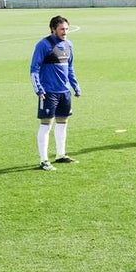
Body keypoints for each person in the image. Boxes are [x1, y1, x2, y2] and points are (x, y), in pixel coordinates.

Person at [31, 15, 82, 171]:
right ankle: (44, 160)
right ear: (53, 29)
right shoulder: (43, 45)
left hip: (64, 92)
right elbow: (34, 69)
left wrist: (75, 85)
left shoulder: (69, 45)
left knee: (63, 123)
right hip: (48, 92)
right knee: (46, 125)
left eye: (66, 29)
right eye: (62, 29)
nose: (65, 32)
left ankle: (61, 154)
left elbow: (70, 68)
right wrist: (39, 89)